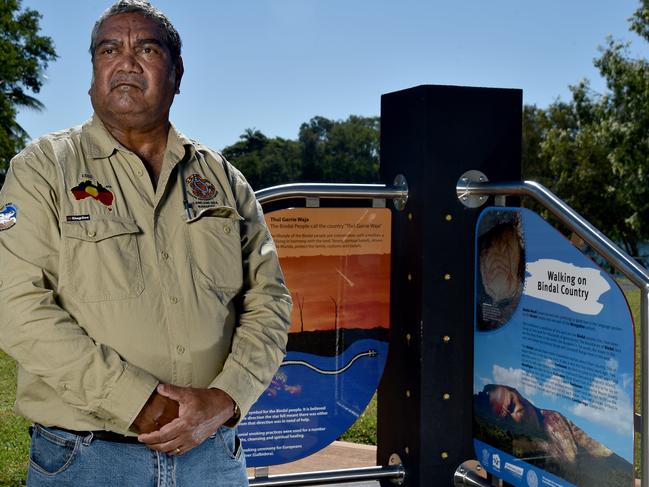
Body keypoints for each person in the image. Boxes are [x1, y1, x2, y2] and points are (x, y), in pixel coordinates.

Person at [0, 1, 292, 485]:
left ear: (177, 73)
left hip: (214, 454)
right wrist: (136, 401)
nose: (127, 61)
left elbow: (269, 300)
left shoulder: (222, 179)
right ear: (93, 73)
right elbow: (16, 305)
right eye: (109, 49)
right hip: (89, 459)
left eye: (147, 48)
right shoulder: (42, 169)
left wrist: (226, 397)